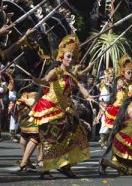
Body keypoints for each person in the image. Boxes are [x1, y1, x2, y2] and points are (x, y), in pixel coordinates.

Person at [29, 34, 92, 179]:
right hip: (50, 109)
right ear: (62, 57)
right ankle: (45, 170)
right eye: (69, 56)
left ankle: (65, 166)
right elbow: (45, 80)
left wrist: (87, 95)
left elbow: (79, 85)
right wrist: (37, 80)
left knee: (75, 134)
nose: (71, 60)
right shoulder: (56, 71)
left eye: (73, 58)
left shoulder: (70, 74)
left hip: (64, 110)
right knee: (51, 138)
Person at [104, 54, 132, 129]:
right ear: (124, 72)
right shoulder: (119, 80)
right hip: (118, 110)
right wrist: (122, 86)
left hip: (129, 109)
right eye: (128, 72)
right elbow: (119, 85)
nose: (131, 75)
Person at [16, 92, 42, 171]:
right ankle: (25, 162)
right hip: (32, 109)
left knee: (24, 135)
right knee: (35, 136)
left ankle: (28, 162)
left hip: (25, 112)